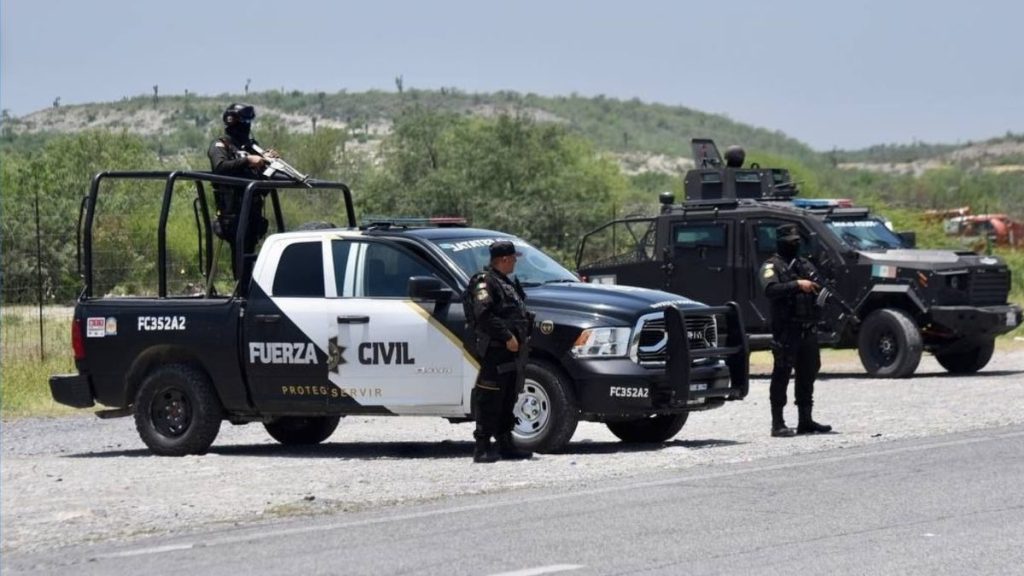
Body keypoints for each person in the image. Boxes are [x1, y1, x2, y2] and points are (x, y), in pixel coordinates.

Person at [759, 224, 833, 437]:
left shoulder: (804, 264)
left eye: (797, 242)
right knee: (782, 374)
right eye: (791, 242)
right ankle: (778, 423)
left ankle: (805, 420)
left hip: (807, 328)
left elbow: (819, 286)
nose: (795, 245)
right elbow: (770, 290)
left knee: (808, 373)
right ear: (781, 242)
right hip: (786, 330)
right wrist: (797, 284)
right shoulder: (772, 266)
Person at [467, 240, 534, 463]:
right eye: (513, 258)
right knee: (489, 398)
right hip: (495, 351)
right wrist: (507, 336)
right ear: (504, 259)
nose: (515, 261)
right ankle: (482, 447)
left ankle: (505, 443)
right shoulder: (484, 282)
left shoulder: (507, 283)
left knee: (507, 397)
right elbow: (483, 315)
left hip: (512, 353)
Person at [207, 103, 277, 277]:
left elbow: (259, 170)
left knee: (251, 251)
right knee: (240, 253)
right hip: (233, 212)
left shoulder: (251, 146)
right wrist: (248, 161)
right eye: (243, 121)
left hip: (253, 209)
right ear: (232, 121)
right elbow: (220, 167)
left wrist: (267, 160)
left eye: (249, 121)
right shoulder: (220, 145)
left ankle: (248, 289)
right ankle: (241, 292)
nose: (247, 125)